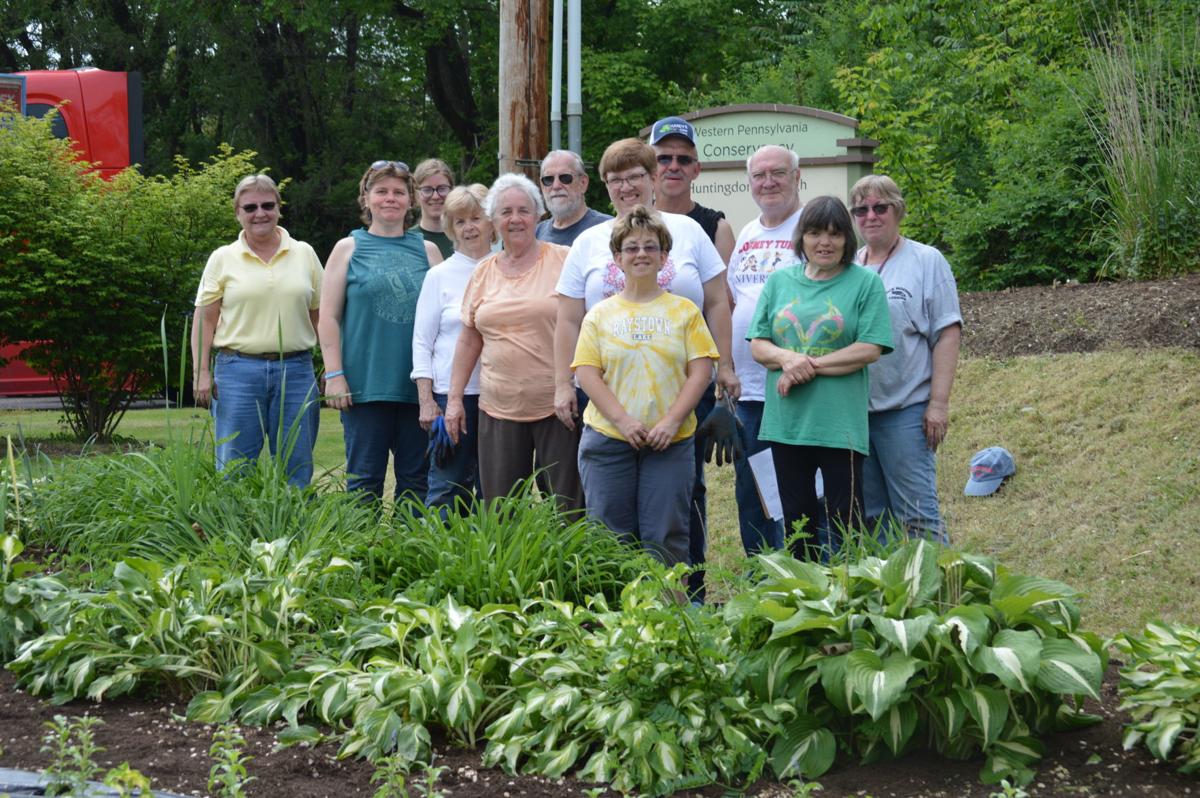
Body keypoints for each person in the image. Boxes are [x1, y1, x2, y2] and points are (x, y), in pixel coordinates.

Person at [553, 137, 738, 601]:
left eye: (635, 176)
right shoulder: (590, 247)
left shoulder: (690, 234)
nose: (626, 186)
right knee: (609, 525)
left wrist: (724, 371)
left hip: (675, 409)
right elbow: (570, 322)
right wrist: (565, 385)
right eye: (615, 179)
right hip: (612, 411)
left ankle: (679, 606)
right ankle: (616, 613)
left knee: (673, 514)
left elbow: (717, 303)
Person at [573, 206, 719, 566]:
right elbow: (588, 374)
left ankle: (669, 616)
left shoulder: (685, 312)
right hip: (609, 439)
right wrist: (623, 421)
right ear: (617, 258)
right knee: (609, 537)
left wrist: (671, 421)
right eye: (632, 247)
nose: (641, 254)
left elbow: (700, 371)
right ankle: (618, 619)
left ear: (664, 257)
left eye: (650, 247)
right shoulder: (600, 315)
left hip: (670, 441)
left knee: (666, 535)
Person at [748, 196, 892, 560]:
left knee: (847, 524)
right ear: (802, 238)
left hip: (840, 426)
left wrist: (801, 367)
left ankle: (849, 602)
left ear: (847, 239)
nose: (824, 242)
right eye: (814, 233)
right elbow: (759, 346)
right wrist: (788, 358)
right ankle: (807, 606)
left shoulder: (864, 284)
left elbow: (869, 349)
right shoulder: (780, 282)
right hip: (787, 424)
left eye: (834, 233)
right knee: (797, 527)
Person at [444, 174, 583, 512]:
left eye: (524, 210)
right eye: (505, 212)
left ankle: (567, 567)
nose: (515, 219)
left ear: (539, 216)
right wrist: (454, 399)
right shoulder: (483, 271)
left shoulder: (565, 259)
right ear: (494, 221)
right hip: (498, 408)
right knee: (501, 511)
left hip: (559, 406)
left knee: (568, 510)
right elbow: (468, 339)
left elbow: (590, 323)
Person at [318, 161, 443, 502]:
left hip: (417, 387)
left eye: (399, 192)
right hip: (364, 386)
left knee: (417, 481)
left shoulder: (428, 251)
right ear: (366, 198)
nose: (391, 198)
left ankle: (410, 552)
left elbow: (442, 319)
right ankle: (361, 553)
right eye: (382, 191)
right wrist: (335, 374)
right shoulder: (348, 248)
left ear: (410, 200)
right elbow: (328, 317)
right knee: (363, 482)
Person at [850, 174, 962, 542]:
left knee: (918, 515)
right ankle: (893, 595)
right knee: (873, 519)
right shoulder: (848, 266)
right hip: (855, 415)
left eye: (880, 207)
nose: (871, 216)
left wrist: (939, 404)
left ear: (898, 210)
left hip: (905, 410)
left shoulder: (926, 260)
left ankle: (941, 594)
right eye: (861, 210)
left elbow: (947, 332)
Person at [191, 174, 322, 488]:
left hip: (297, 369)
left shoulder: (304, 253)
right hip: (237, 371)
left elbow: (321, 314)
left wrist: (334, 367)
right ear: (237, 212)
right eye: (250, 207)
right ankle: (235, 532)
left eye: (267, 205)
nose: (259, 213)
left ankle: (295, 530)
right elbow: (205, 320)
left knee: (297, 463)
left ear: (279, 208)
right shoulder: (222, 258)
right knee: (235, 466)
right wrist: (200, 372)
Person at [727, 145, 804, 554]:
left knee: (794, 490)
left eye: (778, 172)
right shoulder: (748, 233)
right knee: (754, 489)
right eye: (759, 175)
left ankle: (799, 575)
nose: (768, 181)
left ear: (797, 176)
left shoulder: (810, 230)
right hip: (749, 391)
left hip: (793, 387)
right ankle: (761, 577)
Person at [411, 184, 492, 510]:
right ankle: (441, 555)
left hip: (500, 396)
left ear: (492, 222)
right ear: (451, 228)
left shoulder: (508, 268)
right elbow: (422, 341)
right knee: (447, 486)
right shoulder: (439, 276)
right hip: (450, 397)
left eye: (476, 218)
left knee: (495, 488)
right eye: (460, 222)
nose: (469, 227)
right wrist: (426, 400)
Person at [648, 116, 735, 264]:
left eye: (684, 160)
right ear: (649, 166)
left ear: (696, 170)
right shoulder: (632, 223)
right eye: (664, 159)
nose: (674, 167)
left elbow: (725, 287)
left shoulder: (718, 229)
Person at [536, 150, 612, 246]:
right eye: (548, 179)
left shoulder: (608, 230)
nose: (556, 186)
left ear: (583, 183)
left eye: (565, 178)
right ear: (542, 186)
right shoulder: (535, 234)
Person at [413, 158, 456, 260]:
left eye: (442, 189)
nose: (436, 196)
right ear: (416, 194)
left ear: (452, 191)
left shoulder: (465, 237)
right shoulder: (408, 240)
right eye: (427, 190)